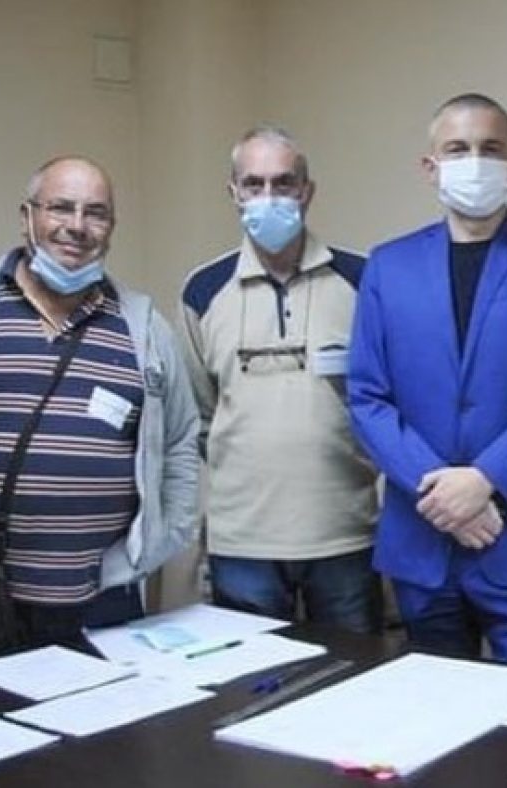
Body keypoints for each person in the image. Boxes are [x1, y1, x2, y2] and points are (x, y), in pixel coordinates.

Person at [348, 93, 507, 666]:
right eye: (457, 149)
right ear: (430, 166)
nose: (475, 161)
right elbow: (366, 397)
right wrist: (442, 495)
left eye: (491, 149)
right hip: (422, 537)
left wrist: (487, 480)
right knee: (435, 708)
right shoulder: (388, 265)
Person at [0, 156, 198, 659]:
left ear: (111, 227)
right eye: (60, 207)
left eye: (96, 213)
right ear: (27, 216)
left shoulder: (145, 328)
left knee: (114, 713)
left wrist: (163, 539)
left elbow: (181, 440)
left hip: (104, 603)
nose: (77, 226)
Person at [180, 126, 382, 634]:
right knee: (253, 679)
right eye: (253, 184)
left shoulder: (363, 279)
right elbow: (201, 415)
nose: (268, 197)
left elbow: (388, 401)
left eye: (283, 183)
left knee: (355, 675)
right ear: (234, 193)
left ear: (307, 191)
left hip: (343, 534)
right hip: (243, 541)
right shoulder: (202, 291)